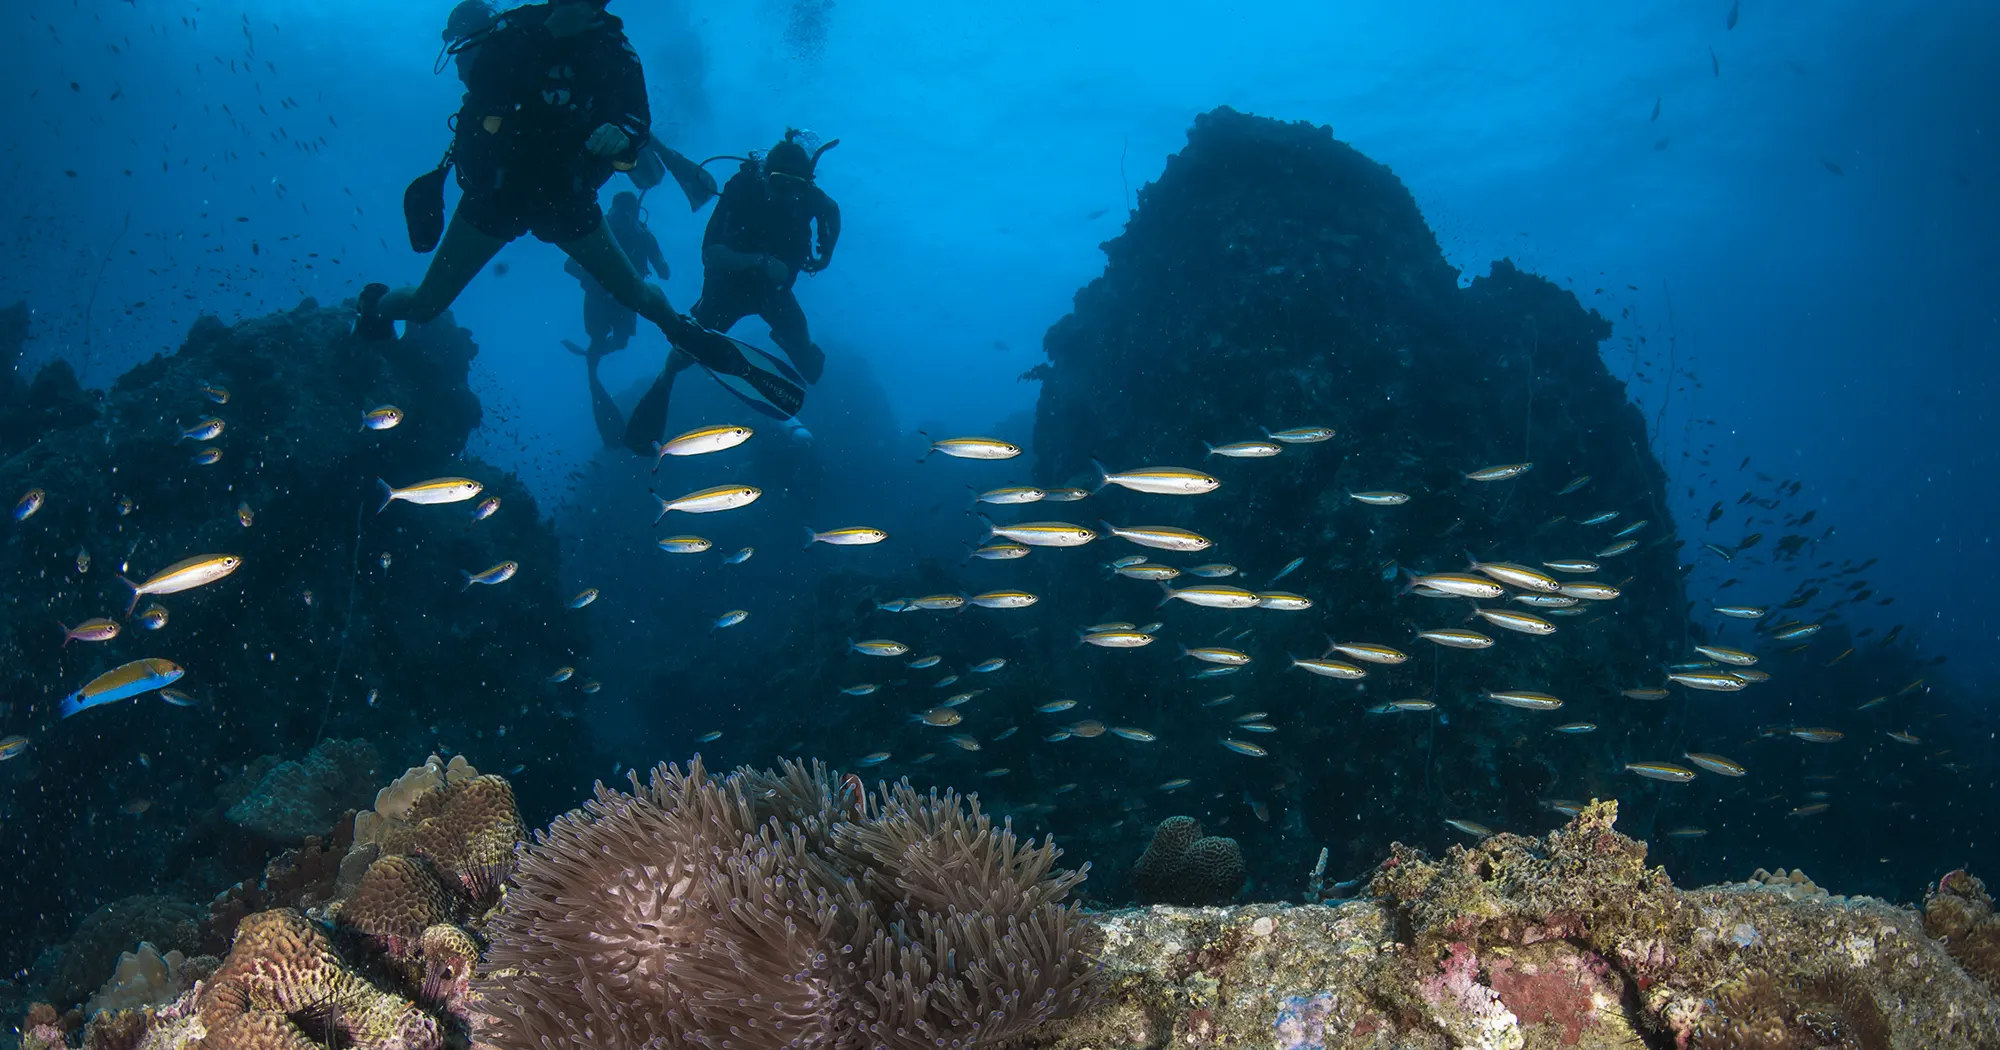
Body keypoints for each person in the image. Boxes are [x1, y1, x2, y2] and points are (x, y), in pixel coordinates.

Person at [356, 0, 805, 419]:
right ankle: (375, 306)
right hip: (495, 197)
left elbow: (637, 120)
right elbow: (483, 83)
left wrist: (621, 135)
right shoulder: (519, 25)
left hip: (565, 201)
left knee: (638, 294)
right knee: (423, 306)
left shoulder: (615, 50)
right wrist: (547, 35)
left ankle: (685, 332)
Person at [620, 129, 840, 456]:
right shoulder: (741, 191)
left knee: (811, 368)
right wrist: (762, 262)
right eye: (780, 183)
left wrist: (825, 255)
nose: (788, 195)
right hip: (728, 287)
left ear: (806, 184)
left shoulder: (808, 195)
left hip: (774, 292)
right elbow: (711, 253)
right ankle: (665, 379)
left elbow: (831, 211)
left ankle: (793, 344)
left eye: (796, 187)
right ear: (765, 176)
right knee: (684, 352)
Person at [563, 191, 667, 446]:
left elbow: (665, 272)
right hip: (600, 296)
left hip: (626, 297)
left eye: (626, 213)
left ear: (635, 214)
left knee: (619, 342)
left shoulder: (643, 237)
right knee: (597, 339)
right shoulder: (598, 229)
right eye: (617, 211)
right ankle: (593, 361)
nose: (621, 217)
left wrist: (652, 254)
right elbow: (569, 265)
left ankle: (593, 357)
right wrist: (596, 275)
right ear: (610, 210)